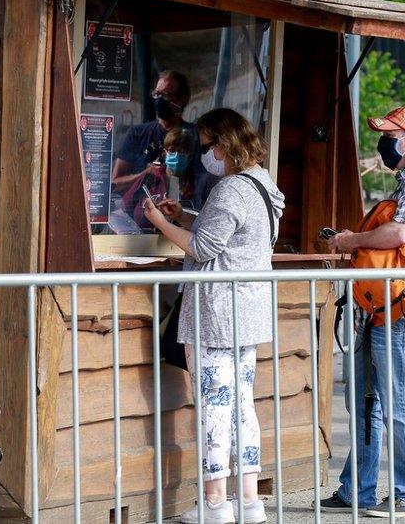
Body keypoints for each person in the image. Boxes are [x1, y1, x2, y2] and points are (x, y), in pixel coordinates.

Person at [143, 108, 285, 524]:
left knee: (213, 406)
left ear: (224, 145)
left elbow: (204, 249)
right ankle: (249, 500)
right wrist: (183, 217)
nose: (203, 153)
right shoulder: (263, 183)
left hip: (217, 311)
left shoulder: (230, 189)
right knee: (242, 404)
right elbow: (228, 238)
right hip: (250, 311)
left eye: (206, 145)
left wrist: (157, 221)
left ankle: (215, 501)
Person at [320, 106, 405, 518]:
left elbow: (401, 233)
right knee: (367, 403)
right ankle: (356, 489)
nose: (383, 143)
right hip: (378, 307)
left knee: (398, 402)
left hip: (403, 311)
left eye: (389, 135)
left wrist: (349, 240)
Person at [112, 71, 215, 231]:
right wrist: (144, 175)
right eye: (157, 94)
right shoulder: (138, 134)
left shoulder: (198, 136)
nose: (160, 101)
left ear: (183, 99)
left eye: (166, 96)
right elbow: (115, 185)